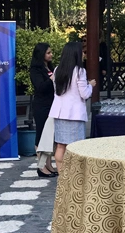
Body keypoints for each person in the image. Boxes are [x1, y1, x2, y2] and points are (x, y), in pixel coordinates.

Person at [48, 41, 95, 172]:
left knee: (60, 146)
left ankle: (61, 173)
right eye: (82, 52)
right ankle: (75, 175)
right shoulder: (80, 71)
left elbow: (57, 90)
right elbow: (84, 94)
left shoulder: (57, 69)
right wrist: (90, 85)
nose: (84, 54)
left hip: (59, 112)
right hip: (74, 114)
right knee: (77, 147)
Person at [29, 43, 58, 177]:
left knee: (50, 135)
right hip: (41, 105)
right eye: (48, 53)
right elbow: (39, 86)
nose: (51, 55)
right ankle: (41, 167)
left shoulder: (50, 67)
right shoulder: (35, 69)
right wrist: (51, 80)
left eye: (51, 52)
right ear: (41, 54)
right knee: (41, 134)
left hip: (52, 104)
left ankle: (49, 164)